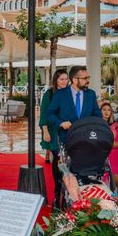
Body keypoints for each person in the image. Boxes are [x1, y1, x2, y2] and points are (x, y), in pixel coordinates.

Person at [47, 65, 103, 145]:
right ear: (75, 80)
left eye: (88, 78)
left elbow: (97, 114)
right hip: (67, 139)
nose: (87, 81)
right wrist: (61, 123)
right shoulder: (60, 94)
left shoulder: (91, 94)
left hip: (88, 139)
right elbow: (50, 114)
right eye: (85, 78)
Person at [39, 69, 69, 207]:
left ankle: (68, 193)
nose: (64, 81)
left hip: (68, 131)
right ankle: (57, 195)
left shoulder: (70, 94)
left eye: (66, 79)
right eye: (61, 79)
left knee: (68, 162)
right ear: (56, 80)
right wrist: (45, 131)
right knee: (57, 161)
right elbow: (44, 114)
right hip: (53, 131)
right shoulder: (49, 94)